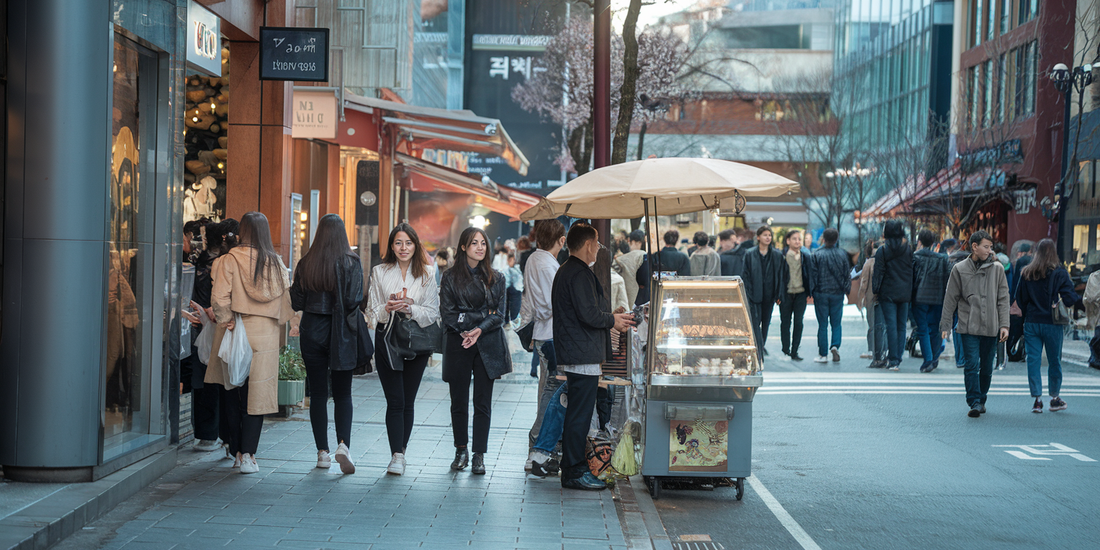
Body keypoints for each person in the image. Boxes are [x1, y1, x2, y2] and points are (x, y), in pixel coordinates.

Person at [205, 212, 292, 474]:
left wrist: (226, 319)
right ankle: (250, 455)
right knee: (259, 393)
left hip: (236, 329)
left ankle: (237, 452)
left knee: (233, 389)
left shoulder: (227, 260)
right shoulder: (276, 263)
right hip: (265, 331)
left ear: (241, 231)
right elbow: (285, 303)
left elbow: (219, 298)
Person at [552, 223, 635, 490]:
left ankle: (573, 469)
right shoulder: (576, 273)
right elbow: (588, 314)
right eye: (597, 244)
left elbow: (588, 311)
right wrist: (613, 319)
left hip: (580, 350)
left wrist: (612, 316)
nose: (598, 249)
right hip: (581, 352)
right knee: (579, 414)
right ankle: (574, 472)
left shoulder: (572, 271)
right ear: (588, 244)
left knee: (579, 412)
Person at [289, 214, 364, 475]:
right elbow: (355, 299)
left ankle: (322, 453)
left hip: (312, 329)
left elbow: (296, 300)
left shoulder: (307, 262)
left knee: (318, 394)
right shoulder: (351, 262)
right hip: (340, 331)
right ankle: (343, 445)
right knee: (343, 393)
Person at [363, 223, 440, 475]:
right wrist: (387, 307)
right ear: (391, 246)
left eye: (408, 243)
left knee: (408, 400)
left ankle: (402, 451)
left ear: (416, 245)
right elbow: (371, 313)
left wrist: (409, 308)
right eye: (398, 242)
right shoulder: (379, 271)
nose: (403, 248)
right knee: (394, 400)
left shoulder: (427, 273)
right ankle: (396, 455)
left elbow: (432, 313)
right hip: (388, 339)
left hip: (417, 340)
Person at [440, 227, 511, 475]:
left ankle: (479, 454)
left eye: (483, 243)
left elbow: (500, 315)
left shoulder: (497, 277)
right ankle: (461, 450)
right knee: (458, 401)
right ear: (463, 247)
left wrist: (478, 329)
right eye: (474, 243)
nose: (480, 247)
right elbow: (448, 314)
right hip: (459, 342)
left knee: (483, 403)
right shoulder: (449, 277)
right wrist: (479, 320)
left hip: (487, 344)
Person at [940, 230, 1010, 418]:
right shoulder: (959, 269)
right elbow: (950, 299)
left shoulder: (998, 269)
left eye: (990, 247)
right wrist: (945, 326)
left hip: (991, 326)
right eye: (986, 247)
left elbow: (1003, 299)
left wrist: (1005, 325)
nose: (989, 250)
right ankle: (974, 401)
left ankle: (982, 397)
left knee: (987, 366)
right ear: (974, 247)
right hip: (968, 325)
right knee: (971, 364)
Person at [521, 219, 567, 471]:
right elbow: (552, 304)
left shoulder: (534, 259)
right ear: (561, 240)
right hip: (550, 333)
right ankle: (539, 447)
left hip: (544, 332)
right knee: (552, 393)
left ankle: (540, 447)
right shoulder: (547, 264)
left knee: (549, 390)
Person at [1015, 238, 1078, 414]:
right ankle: (1055, 398)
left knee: (1033, 360)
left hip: (1032, 322)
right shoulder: (1060, 273)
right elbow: (1070, 298)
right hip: (1052, 323)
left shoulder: (1026, 272)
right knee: (1054, 360)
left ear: (1036, 252)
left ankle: (1037, 400)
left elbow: (1020, 298)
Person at [871, 220, 913, 371]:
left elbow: (878, 272)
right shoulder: (907, 249)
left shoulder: (882, 251)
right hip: (904, 293)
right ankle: (898, 358)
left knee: (891, 326)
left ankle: (893, 359)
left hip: (888, 292)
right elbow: (911, 271)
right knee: (901, 326)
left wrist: (875, 290)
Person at [912, 229, 951, 372]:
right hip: (938, 298)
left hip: (920, 297)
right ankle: (934, 358)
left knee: (923, 329)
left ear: (920, 242)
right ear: (934, 243)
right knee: (935, 329)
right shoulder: (943, 258)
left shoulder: (915, 257)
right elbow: (948, 278)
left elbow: (913, 278)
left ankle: (928, 359)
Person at [743, 225, 783, 357]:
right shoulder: (750, 254)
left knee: (766, 322)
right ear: (758, 237)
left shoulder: (777, 255)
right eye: (765, 235)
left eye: (770, 235)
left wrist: (779, 294)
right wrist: (748, 293)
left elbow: (780, 275)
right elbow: (745, 275)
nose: (768, 237)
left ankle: (761, 345)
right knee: (755, 322)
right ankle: (758, 348)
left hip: (770, 295)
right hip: (755, 294)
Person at [812, 228, 851, 363]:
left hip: (821, 292)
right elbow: (847, 274)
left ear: (823, 238)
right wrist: (846, 289)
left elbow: (813, 275)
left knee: (822, 324)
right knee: (836, 323)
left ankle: (823, 354)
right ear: (836, 239)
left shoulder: (817, 254)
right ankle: (835, 345)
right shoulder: (842, 254)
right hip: (837, 293)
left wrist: (812, 290)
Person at [778, 229, 813, 361]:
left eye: (799, 239)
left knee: (799, 322)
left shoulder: (805, 256)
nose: (797, 241)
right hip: (786, 294)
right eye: (794, 239)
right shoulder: (782, 256)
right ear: (788, 241)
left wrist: (810, 291)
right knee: (785, 322)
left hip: (800, 294)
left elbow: (809, 274)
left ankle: (794, 351)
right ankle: (785, 347)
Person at [858, 240, 888, 367]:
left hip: (871, 298)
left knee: (872, 326)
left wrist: (860, 299)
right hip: (886, 298)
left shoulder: (869, 263)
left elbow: (864, 283)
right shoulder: (887, 262)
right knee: (884, 326)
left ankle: (873, 350)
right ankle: (884, 350)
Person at [1006, 241, 1033, 361]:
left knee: (1016, 327)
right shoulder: (1032, 261)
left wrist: (1014, 299)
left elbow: (1016, 282)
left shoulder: (1020, 262)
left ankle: (1013, 351)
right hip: (1031, 300)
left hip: (1019, 298)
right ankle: (1024, 351)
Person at [615, 230, 647, 306]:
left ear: (630, 241)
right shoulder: (643, 255)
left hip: (625, 295)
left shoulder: (620, 259)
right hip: (639, 297)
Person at [504, 252, 524, 327]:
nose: (513, 261)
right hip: (510, 291)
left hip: (516, 291)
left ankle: (511, 321)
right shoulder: (506, 269)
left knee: (514, 310)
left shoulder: (516, 268)